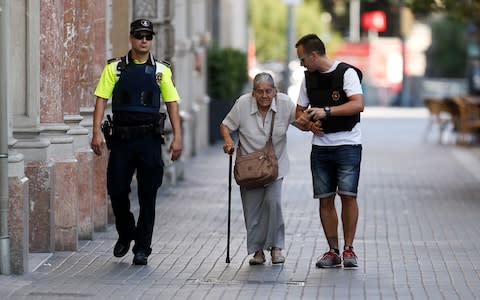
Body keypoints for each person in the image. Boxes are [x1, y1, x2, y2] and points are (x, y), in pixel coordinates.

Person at [90, 19, 182, 265]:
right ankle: (126, 232)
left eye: (148, 36)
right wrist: (96, 132)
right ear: (131, 38)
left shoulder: (162, 71)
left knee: (148, 194)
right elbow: (100, 99)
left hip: (149, 140)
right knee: (117, 190)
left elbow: (172, 104)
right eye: (139, 35)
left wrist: (178, 138)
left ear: (151, 40)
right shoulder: (115, 68)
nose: (144, 40)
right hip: (121, 140)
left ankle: (142, 247)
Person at [294, 33, 364, 268]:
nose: (301, 64)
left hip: (348, 144)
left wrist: (327, 111)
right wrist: (307, 125)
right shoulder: (308, 79)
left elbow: (358, 104)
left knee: (348, 196)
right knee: (325, 200)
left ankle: (349, 250)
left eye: (302, 59)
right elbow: (298, 113)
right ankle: (333, 251)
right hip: (320, 149)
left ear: (313, 55)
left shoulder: (346, 73)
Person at [220, 73, 297, 265]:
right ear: (253, 92)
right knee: (252, 209)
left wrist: (314, 125)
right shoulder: (243, 104)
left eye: (268, 91)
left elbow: (300, 121)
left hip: (274, 165)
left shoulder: (285, 104)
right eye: (260, 91)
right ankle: (258, 251)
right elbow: (225, 125)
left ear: (275, 91)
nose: (264, 96)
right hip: (249, 167)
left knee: (273, 203)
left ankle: (276, 247)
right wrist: (228, 141)